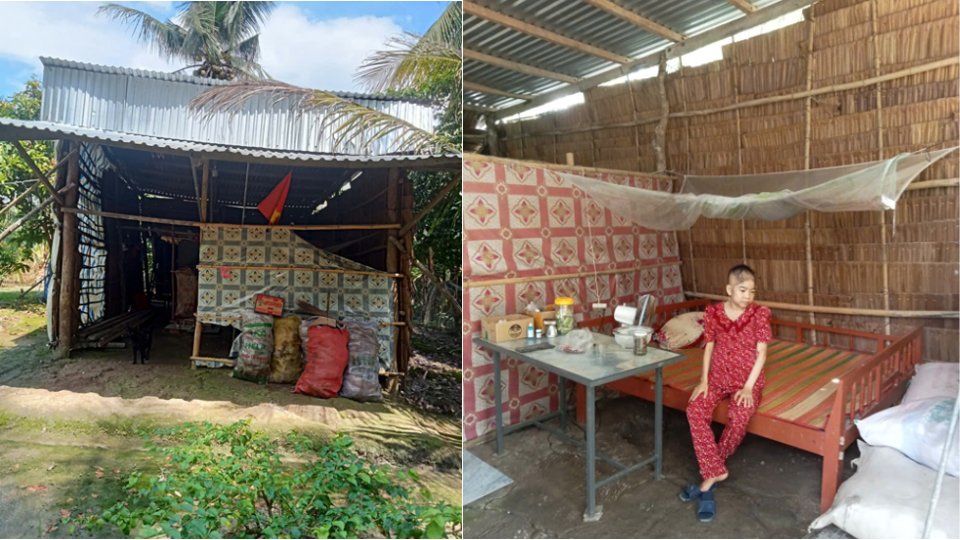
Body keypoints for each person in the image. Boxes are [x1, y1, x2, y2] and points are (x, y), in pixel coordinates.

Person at [678, 264, 772, 522]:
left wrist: (749, 387)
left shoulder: (759, 314)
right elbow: (708, 348)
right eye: (742, 290)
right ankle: (715, 470)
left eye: (752, 291)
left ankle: (708, 480)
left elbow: (762, 353)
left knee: (740, 417)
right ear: (729, 289)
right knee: (695, 409)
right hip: (717, 378)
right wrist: (703, 381)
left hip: (747, 381)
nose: (748, 296)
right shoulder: (713, 313)